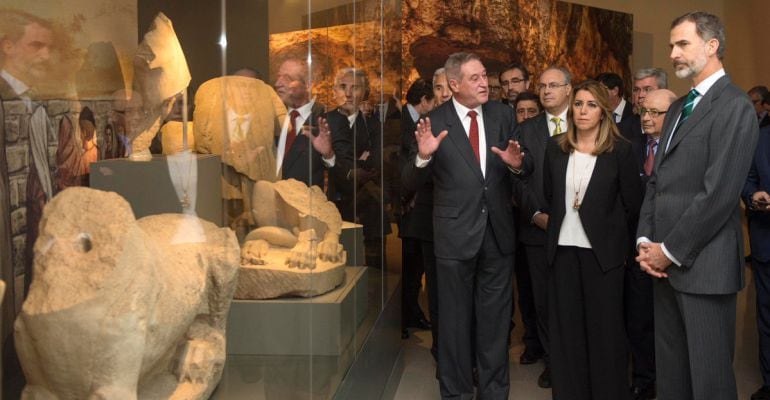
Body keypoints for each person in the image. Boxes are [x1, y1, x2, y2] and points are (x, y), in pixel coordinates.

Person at [635, 11, 759, 400]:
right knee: (672, 377)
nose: (673, 52)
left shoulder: (735, 106)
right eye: (672, 44)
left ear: (712, 46)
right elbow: (658, 181)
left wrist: (667, 252)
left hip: (703, 267)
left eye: (682, 43)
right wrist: (645, 240)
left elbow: (718, 195)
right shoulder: (677, 107)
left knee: (708, 382)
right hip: (663, 266)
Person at [403, 52, 528, 400]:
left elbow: (524, 167)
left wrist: (518, 165)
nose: (484, 82)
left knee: (495, 325)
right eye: (475, 78)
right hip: (455, 237)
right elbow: (407, 181)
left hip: (498, 236)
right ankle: (456, 393)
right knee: (455, 326)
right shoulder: (434, 120)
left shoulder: (504, 115)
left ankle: (494, 393)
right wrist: (423, 156)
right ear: (454, 85)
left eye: (485, 75)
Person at [543, 80, 641, 400]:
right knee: (566, 333)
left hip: (604, 257)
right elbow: (549, 195)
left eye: (591, 105)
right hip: (563, 252)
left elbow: (632, 205)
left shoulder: (621, 150)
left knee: (605, 334)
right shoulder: (556, 147)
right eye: (579, 104)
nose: (583, 111)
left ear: (604, 111)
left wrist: (617, 244)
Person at [626, 88, 676, 400]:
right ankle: (644, 379)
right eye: (644, 111)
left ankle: (672, 380)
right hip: (637, 247)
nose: (646, 118)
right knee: (639, 318)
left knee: (670, 322)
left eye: (655, 113)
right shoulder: (630, 148)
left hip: (674, 248)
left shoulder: (682, 148)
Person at [272, 58, 353, 192]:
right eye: (278, 77)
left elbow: (347, 177)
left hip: (307, 208)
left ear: (308, 85)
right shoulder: (271, 118)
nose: (277, 84)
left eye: (287, 79)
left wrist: (329, 155)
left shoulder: (331, 121)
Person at [399, 78, 438, 354]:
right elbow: (398, 164)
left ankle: (411, 312)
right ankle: (406, 315)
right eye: (437, 92)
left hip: (426, 212)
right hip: (412, 207)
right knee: (412, 267)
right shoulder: (402, 121)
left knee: (417, 269)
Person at [743, 123, 770, 400]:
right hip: (766, 243)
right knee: (766, 317)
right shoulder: (760, 137)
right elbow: (747, 179)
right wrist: (753, 195)